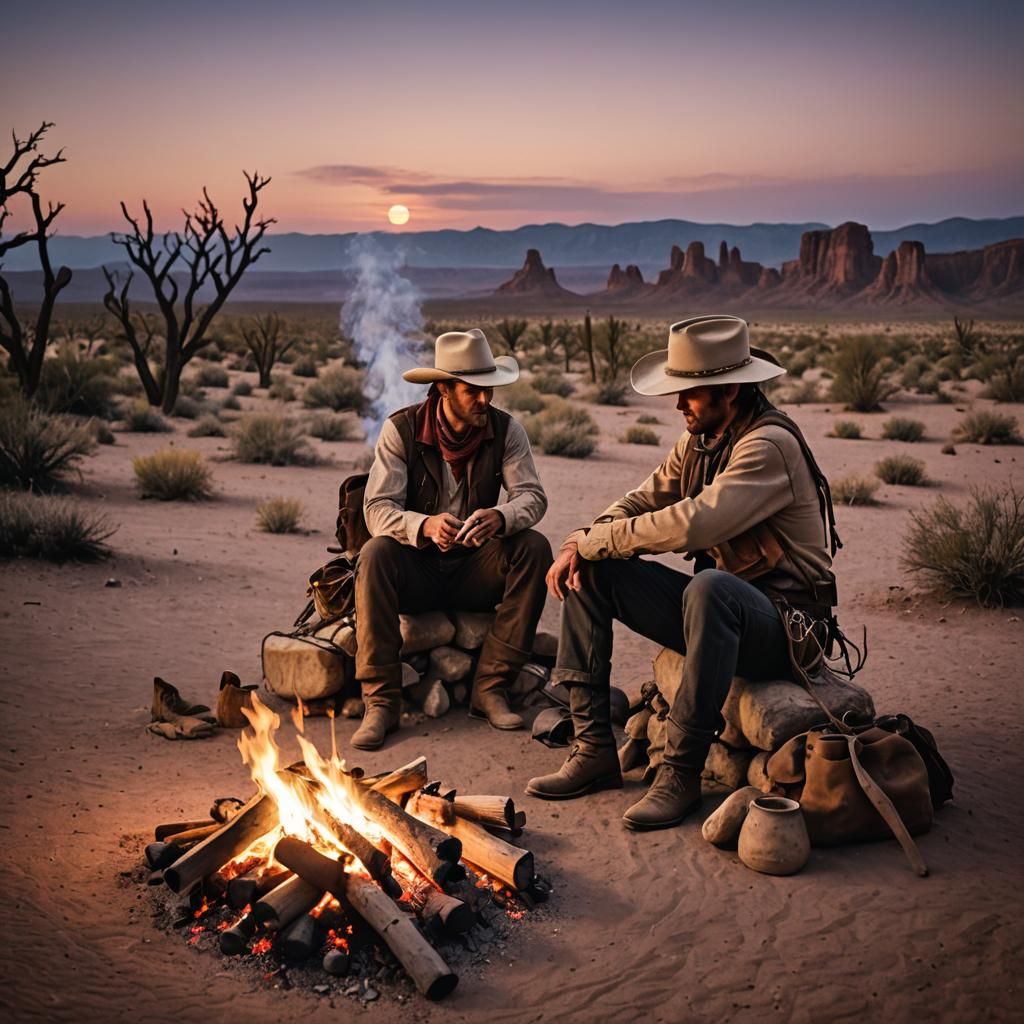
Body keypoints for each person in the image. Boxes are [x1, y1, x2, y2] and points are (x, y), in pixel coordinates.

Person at [526, 315, 842, 830]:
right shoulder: (703, 438)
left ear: (732, 389)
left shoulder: (767, 447)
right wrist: (584, 541)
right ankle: (593, 751)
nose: (678, 405)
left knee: (711, 585)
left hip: (786, 626)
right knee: (598, 571)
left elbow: (693, 524)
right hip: (718, 615)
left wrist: (595, 540)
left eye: (690, 392)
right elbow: (645, 498)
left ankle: (680, 773)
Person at [353, 328, 552, 750]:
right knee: (375, 554)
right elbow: (376, 510)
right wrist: (422, 527)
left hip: (473, 569)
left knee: (534, 548)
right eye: (472, 391)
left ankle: (490, 687)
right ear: (443, 388)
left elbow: (532, 498)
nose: (485, 400)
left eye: (489, 390)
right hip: (417, 568)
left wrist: (501, 516)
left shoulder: (506, 431)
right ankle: (380, 701)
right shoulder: (401, 430)